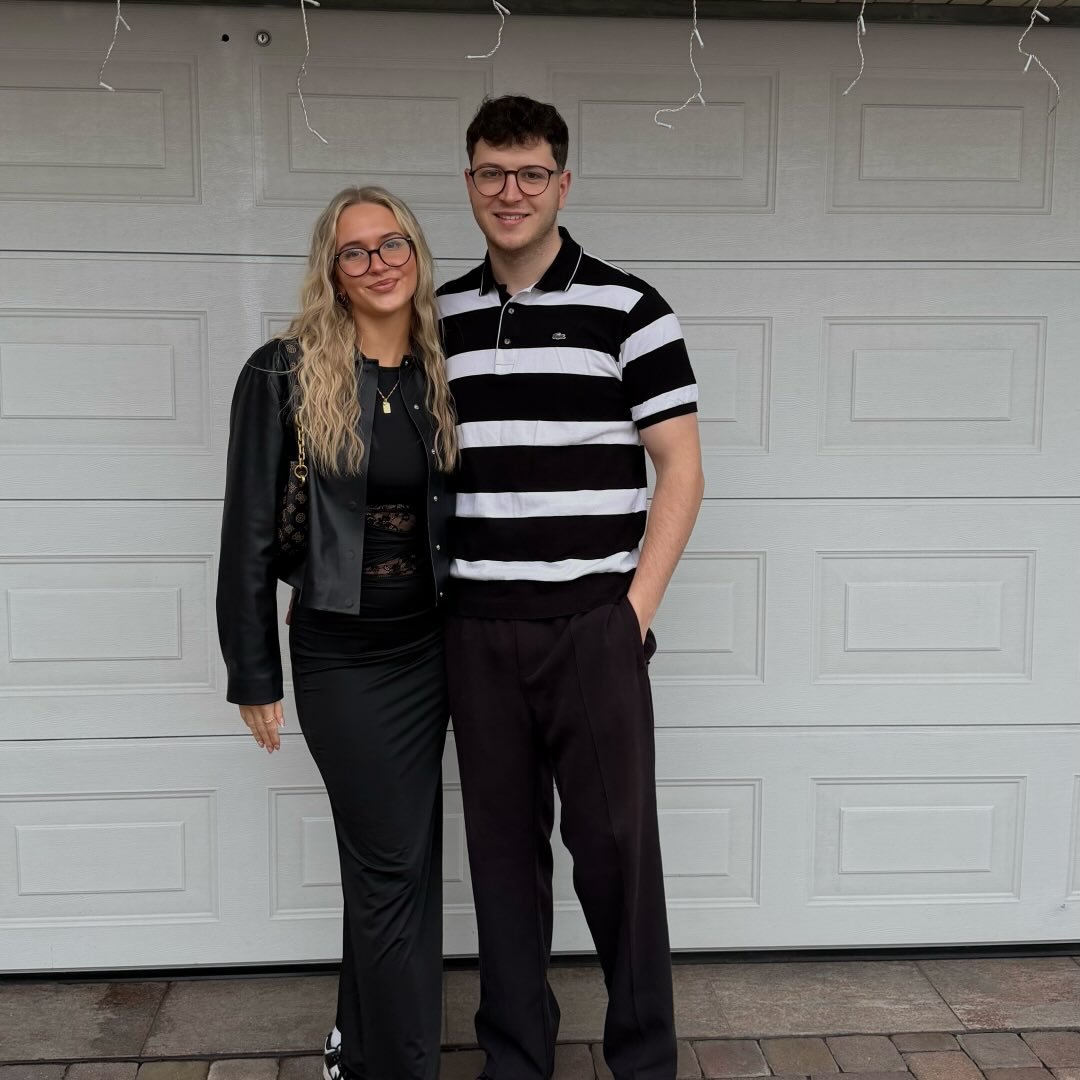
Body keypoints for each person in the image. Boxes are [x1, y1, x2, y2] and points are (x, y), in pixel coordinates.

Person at [437, 96, 705, 1080]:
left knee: (619, 862)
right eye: (491, 173)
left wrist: (631, 615)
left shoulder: (630, 309)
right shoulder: (439, 318)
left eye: (531, 173)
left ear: (563, 183)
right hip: (476, 628)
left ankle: (644, 1062)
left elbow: (682, 470)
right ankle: (516, 1061)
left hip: (592, 627)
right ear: (469, 181)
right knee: (503, 865)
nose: (510, 192)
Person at [216, 186, 457, 1080]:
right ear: (333, 270)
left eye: (392, 244)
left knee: (400, 865)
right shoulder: (282, 373)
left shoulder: (442, 370)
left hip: (433, 648)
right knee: (393, 867)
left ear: (416, 254)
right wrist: (253, 670)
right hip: (342, 657)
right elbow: (247, 528)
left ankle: (358, 1052)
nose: (377, 263)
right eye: (354, 251)